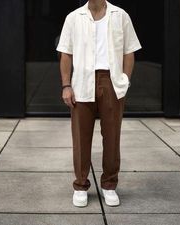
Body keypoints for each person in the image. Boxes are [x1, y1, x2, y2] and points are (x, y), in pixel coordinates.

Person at [56, 0, 142, 207]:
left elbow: (129, 51)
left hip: (111, 82)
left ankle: (109, 185)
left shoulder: (120, 15)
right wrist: (66, 85)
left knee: (112, 137)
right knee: (80, 137)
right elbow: (66, 54)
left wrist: (125, 81)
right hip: (82, 83)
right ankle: (80, 185)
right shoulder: (74, 17)